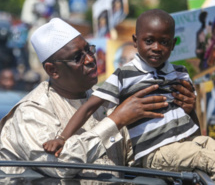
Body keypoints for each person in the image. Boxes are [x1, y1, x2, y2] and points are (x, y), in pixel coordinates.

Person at [0, 17, 196, 179]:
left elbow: (141, 157)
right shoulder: (31, 112)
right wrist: (116, 121)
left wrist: (186, 111)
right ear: (53, 70)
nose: (90, 59)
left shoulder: (106, 100)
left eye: (89, 49)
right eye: (78, 57)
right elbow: (60, 167)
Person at [43, 9, 214, 179]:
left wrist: (191, 113)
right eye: (149, 41)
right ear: (135, 41)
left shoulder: (180, 73)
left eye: (164, 42)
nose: (156, 48)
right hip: (158, 152)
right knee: (208, 160)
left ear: (173, 44)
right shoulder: (124, 75)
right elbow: (89, 107)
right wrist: (62, 138)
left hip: (188, 145)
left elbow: (191, 122)